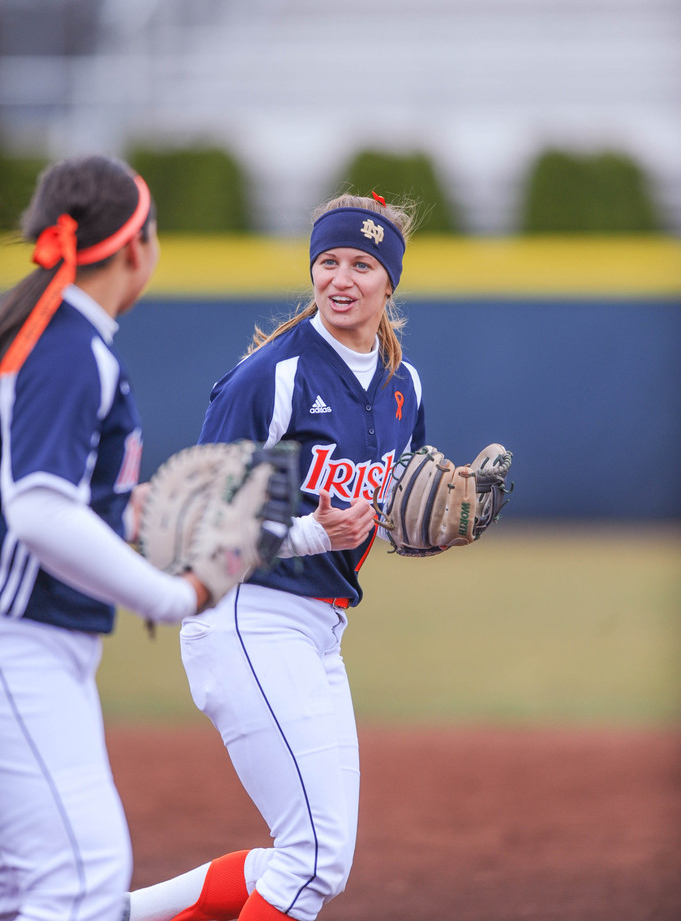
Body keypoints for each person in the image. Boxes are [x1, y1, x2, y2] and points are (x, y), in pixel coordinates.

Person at [127, 192, 425, 921]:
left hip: (321, 630)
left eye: (362, 264)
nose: (341, 279)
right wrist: (315, 534)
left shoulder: (402, 387)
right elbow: (199, 523)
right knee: (312, 860)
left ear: (389, 281)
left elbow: (382, 510)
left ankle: (101, 913)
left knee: (314, 858)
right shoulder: (275, 375)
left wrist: (422, 527)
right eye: (328, 261)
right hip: (247, 617)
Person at [0, 154, 216, 921]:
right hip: (18, 643)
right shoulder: (69, 348)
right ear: (136, 248)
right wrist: (171, 595)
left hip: (33, 642)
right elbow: (37, 508)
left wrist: (134, 510)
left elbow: (57, 500)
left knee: (31, 889)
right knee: (81, 877)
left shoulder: (41, 332)